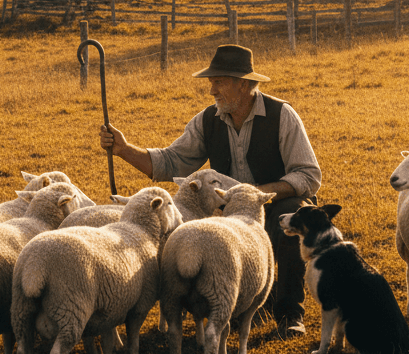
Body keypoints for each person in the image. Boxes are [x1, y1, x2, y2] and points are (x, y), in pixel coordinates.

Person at [99, 44, 322, 337]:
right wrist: (124, 149)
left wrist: (255, 194)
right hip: (230, 212)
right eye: (211, 82)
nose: (212, 90)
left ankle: (290, 314)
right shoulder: (208, 120)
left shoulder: (282, 115)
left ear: (243, 84)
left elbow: (308, 174)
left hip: (276, 203)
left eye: (219, 82)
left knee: (293, 216)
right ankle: (238, 306)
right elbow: (171, 161)